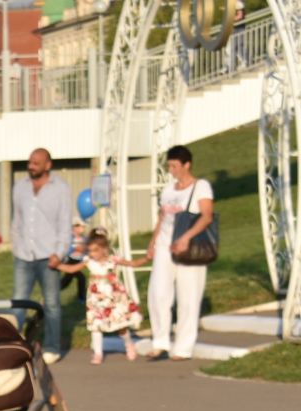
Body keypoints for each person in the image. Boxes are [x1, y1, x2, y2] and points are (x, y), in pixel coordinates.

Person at [147, 143, 215, 361]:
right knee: (158, 293)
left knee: (188, 296)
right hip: (165, 246)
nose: (172, 170)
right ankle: (160, 341)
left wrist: (186, 237)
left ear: (187, 164)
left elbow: (206, 215)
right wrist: (153, 240)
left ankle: (183, 346)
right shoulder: (168, 190)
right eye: (169, 166)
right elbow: (162, 216)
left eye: (175, 166)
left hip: (190, 247)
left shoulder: (201, 186)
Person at [11, 148, 73, 362]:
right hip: (23, 254)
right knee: (18, 301)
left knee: (52, 303)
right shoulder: (19, 187)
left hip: (49, 255)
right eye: (30, 161)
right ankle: (13, 344)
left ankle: (52, 347)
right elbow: (17, 220)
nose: (31, 165)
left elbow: (65, 223)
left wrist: (60, 252)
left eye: (37, 162)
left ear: (48, 165)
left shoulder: (60, 188)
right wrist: (16, 245)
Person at [55, 230, 148, 364]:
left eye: (95, 250)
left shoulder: (113, 260)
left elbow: (132, 264)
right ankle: (98, 353)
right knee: (96, 325)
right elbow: (72, 269)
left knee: (120, 324)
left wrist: (147, 258)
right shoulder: (88, 261)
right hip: (96, 299)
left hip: (113, 297)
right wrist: (58, 265)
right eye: (90, 250)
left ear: (104, 249)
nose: (92, 254)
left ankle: (129, 344)